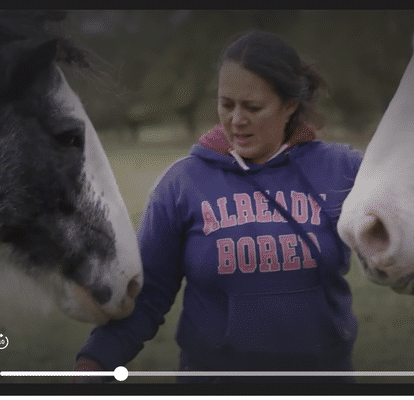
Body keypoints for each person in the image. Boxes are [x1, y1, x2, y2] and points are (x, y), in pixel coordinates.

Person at [73, 30, 363, 384]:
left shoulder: (343, 170)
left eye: (253, 107)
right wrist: (95, 361)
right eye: (227, 104)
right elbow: (150, 294)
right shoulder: (182, 184)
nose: (236, 120)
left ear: (289, 106)